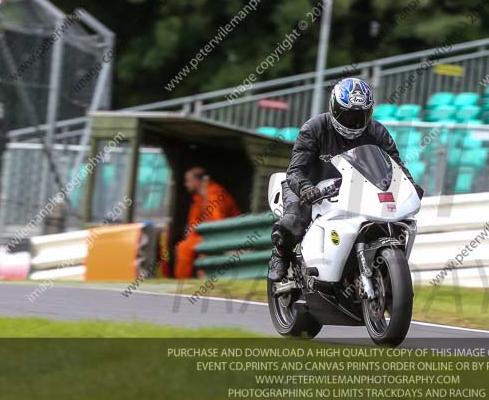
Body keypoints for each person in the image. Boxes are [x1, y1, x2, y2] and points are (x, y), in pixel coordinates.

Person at [268, 77, 424, 282]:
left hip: (353, 188)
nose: (354, 122)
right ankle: (280, 256)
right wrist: (306, 188)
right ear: (334, 108)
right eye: (348, 115)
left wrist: (409, 185)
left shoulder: (376, 131)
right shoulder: (314, 128)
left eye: (360, 116)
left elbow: (396, 165)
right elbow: (295, 170)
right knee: (295, 218)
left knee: (394, 217)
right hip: (312, 186)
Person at [174, 167, 241, 279]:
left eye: (188, 180)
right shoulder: (199, 197)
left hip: (224, 236)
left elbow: (218, 222)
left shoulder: (214, 193)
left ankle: (182, 281)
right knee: (184, 246)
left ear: (198, 181)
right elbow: (194, 223)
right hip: (207, 236)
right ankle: (183, 280)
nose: (186, 184)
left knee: (185, 248)